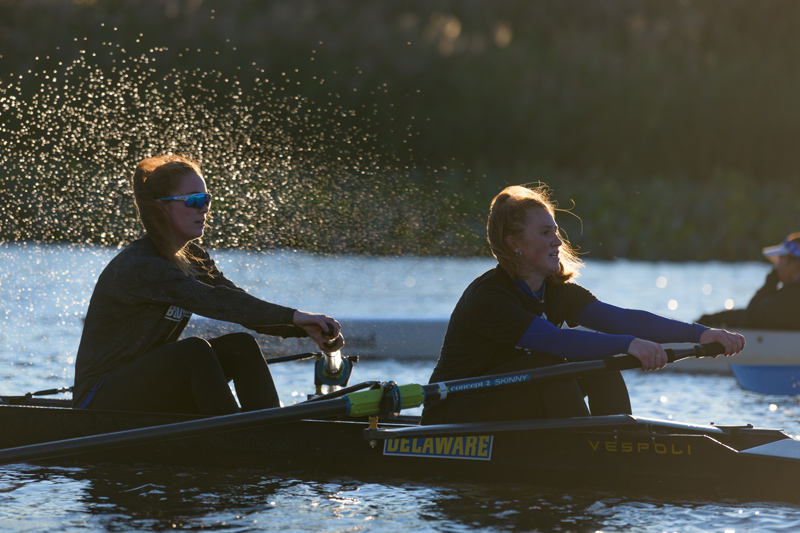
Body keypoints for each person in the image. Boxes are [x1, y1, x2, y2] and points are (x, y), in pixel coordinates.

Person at [421, 184, 745, 425]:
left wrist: (700, 334)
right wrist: (630, 345)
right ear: (514, 244)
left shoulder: (557, 291)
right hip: (452, 414)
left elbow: (622, 320)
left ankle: (616, 443)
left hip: (505, 404)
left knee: (601, 362)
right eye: (546, 232)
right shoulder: (489, 298)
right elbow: (555, 340)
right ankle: (588, 451)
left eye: (556, 232)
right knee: (548, 363)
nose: (558, 242)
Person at [73, 154, 344, 415]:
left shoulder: (194, 257)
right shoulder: (141, 265)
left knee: (242, 345)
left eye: (207, 199)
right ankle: (237, 439)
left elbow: (235, 301)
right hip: (98, 398)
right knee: (195, 351)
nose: (203, 208)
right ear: (162, 206)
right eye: (194, 200)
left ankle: (270, 430)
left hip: (149, 389)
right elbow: (217, 302)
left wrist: (302, 328)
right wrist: (294, 316)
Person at [697, 233, 800, 330]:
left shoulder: (792, 297)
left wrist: (771, 282)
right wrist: (712, 319)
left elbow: (749, 319)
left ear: (793, 264)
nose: (776, 267)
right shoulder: (788, 297)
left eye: (780, 259)